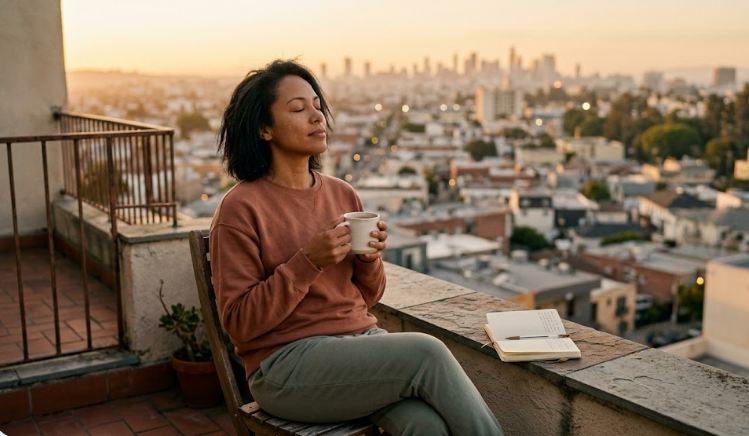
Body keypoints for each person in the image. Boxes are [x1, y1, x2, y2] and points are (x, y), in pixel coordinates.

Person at [210, 59, 503, 436]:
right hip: (284, 367)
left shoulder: (342, 193)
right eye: (299, 109)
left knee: (424, 425)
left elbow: (368, 298)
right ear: (264, 129)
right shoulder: (241, 208)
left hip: (357, 347)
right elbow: (238, 323)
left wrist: (369, 260)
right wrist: (308, 262)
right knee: (426, 353)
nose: (317, 117)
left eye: (317, 105)